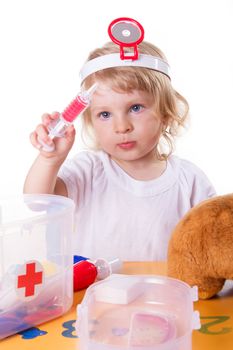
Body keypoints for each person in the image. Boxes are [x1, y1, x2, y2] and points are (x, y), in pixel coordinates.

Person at [24, 27, 216, 261]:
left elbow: (214, 237)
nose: (121, 126)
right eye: (105, 114)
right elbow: (38, 201)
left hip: (164, 295)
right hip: (95, 293)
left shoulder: (190, 181)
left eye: (135, 108)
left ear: (165, 113)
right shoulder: (89, 170)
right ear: (90, 120)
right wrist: (49, 160)